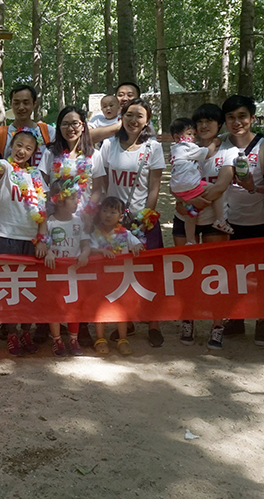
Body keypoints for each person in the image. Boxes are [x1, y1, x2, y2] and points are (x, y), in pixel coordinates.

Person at [94, 97, 165, 347]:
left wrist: (147, 216)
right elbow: (103, 181)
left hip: (142, 220)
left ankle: (154, 323)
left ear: (147, 121)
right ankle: (128, 322)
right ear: (121, 117)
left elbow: (154, 187)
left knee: (150, 271)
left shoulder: (153, 148)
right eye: (129, 115)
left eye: (139, 116)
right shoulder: (109, 145)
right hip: (115, 222)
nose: (134, 120)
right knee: (120, 272)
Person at [0, 128, 50, 356]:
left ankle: (26, 331)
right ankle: (11, 333)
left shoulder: (36, 175)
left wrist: (42, 239)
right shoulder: (6, 167)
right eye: (19, 145)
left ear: (33, 153)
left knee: (29, 287)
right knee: (11, 287)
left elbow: (43, 210)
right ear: (11, 146)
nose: (22, 151)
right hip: (7, 235)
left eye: (28, 148)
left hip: (31, 239)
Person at [173, 104, 235, 349]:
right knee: (185, 273)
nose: (204, 126)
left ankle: (217, 326)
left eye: (209, 121)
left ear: (219, 124)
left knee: (216, 273)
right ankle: (187, 321)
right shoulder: (185, 148)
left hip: (213, 220)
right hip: (185, 217)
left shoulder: (227, 152)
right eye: (199, 122)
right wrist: (183, 202)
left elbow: (221, 185)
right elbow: (174, 182)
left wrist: (193, 201)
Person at [219, 95, 264, 345]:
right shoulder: (219, 145)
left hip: (261, 221)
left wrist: (253, 188)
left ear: (252, 118)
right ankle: (236, 319)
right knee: (233, 274)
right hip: (229, 222)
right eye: (230, 117)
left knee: (263, 276)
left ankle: (262, 322)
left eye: (242, 116)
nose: (237, 122)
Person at [88, 195, 142, 357]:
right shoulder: (95, 234)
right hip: (100, 279)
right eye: (105, 211)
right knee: (99, 308)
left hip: (121, 280)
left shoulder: (126, 234)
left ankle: (122, 338)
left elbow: (138, 244)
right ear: (99, 213)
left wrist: (137, 247)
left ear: (120, 216)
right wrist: (100, 252)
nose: (108, 215)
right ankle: (100, 338)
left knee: (121, 309)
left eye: (112, 212)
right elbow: (89, 249)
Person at [43, 182, 91, 357]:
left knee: (74, 306)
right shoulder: (49, 222)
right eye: (72, 198)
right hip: (54, 274)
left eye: (76, 198)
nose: (76, 201)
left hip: (73, 273)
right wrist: (48, 252)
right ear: (59, 201)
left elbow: (85, 245)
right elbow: (43, 243)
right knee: (53, 306)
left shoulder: (79, 222)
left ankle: (73, 339)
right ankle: (57, 340)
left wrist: (84, 254)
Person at [169, 117, 231, 245]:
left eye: (194, 134)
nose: (193, 137)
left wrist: (188, 201)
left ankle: (190, 240)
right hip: (191, 185)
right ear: (177, 137)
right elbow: (207, 153)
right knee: (215, 190)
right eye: (189, 134)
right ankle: (220, 220)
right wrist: (214, 143)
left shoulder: (174, 149)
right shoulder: (188, 147)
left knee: (190, 214)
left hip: (177, 188)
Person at [0, 84, 54, 167]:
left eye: (26, 103)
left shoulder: (48, 132)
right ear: (11, 104)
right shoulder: (0, 135)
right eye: (16, 103)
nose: (21, 107)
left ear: (34, 104)